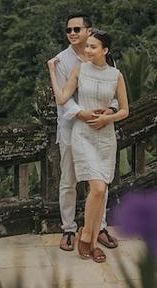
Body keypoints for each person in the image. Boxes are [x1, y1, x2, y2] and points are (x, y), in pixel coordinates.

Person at [49, 29, 129, 264]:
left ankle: (92, 243)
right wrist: (52, 70)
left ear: (105, 50)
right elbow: (62, 98)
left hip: (105, 136)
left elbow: (125, 110)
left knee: (102, 191)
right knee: (97, 188)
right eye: (87, 46)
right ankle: (85, 236)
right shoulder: (80, 69)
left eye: (93, 46)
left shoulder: (116, 75)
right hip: (83, 135)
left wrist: (108, 118)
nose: (88, 50)